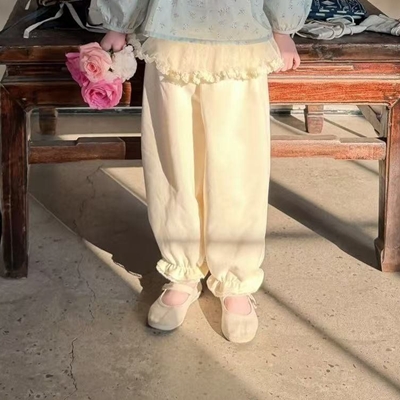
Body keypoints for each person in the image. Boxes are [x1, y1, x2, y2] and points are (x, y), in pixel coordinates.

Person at [98, 0, 312, 343]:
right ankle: (182, 270)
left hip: (240, 34)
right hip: (171, 28)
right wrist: (119, 21)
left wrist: (283, 26)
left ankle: (235, 277)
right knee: (174, 158)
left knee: (238, 163)